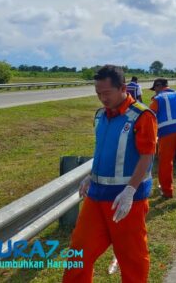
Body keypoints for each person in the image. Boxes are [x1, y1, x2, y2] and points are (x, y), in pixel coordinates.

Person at [63, 65, 157, 283]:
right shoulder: (100, 116)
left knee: (131, 258)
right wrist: (91, 175)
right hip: (96, 196)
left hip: (125, 201)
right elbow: (104, 150)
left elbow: (147, 156)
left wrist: (130, 190)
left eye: (106, 93)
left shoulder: (142, 116)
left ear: (123, 88)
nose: (102, 98)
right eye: (98, 94)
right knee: (78, 254)